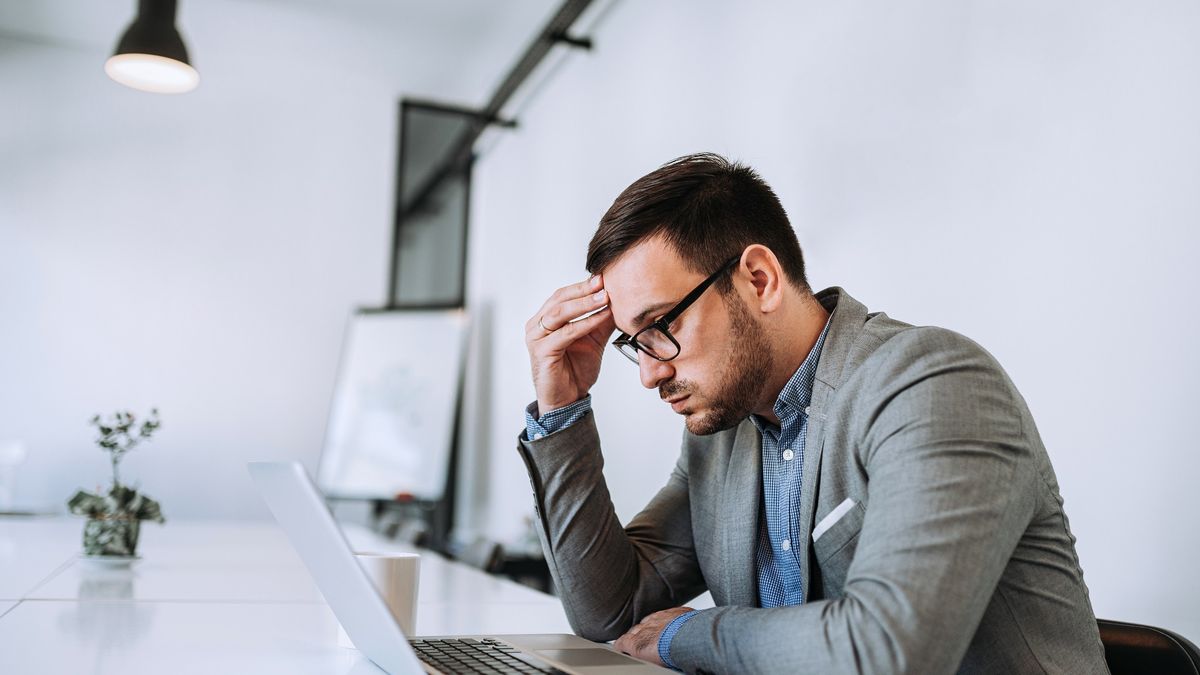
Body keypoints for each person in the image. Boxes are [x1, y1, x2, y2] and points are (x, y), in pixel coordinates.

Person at [517, 153, 1107, 674]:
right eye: (635, 343)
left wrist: (686, 635)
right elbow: (610, 609)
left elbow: (888, 651)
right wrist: (562, 405)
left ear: (759, 280)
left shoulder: (933, 383)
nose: (649, 373)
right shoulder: (720, 435)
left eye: (661, 326)